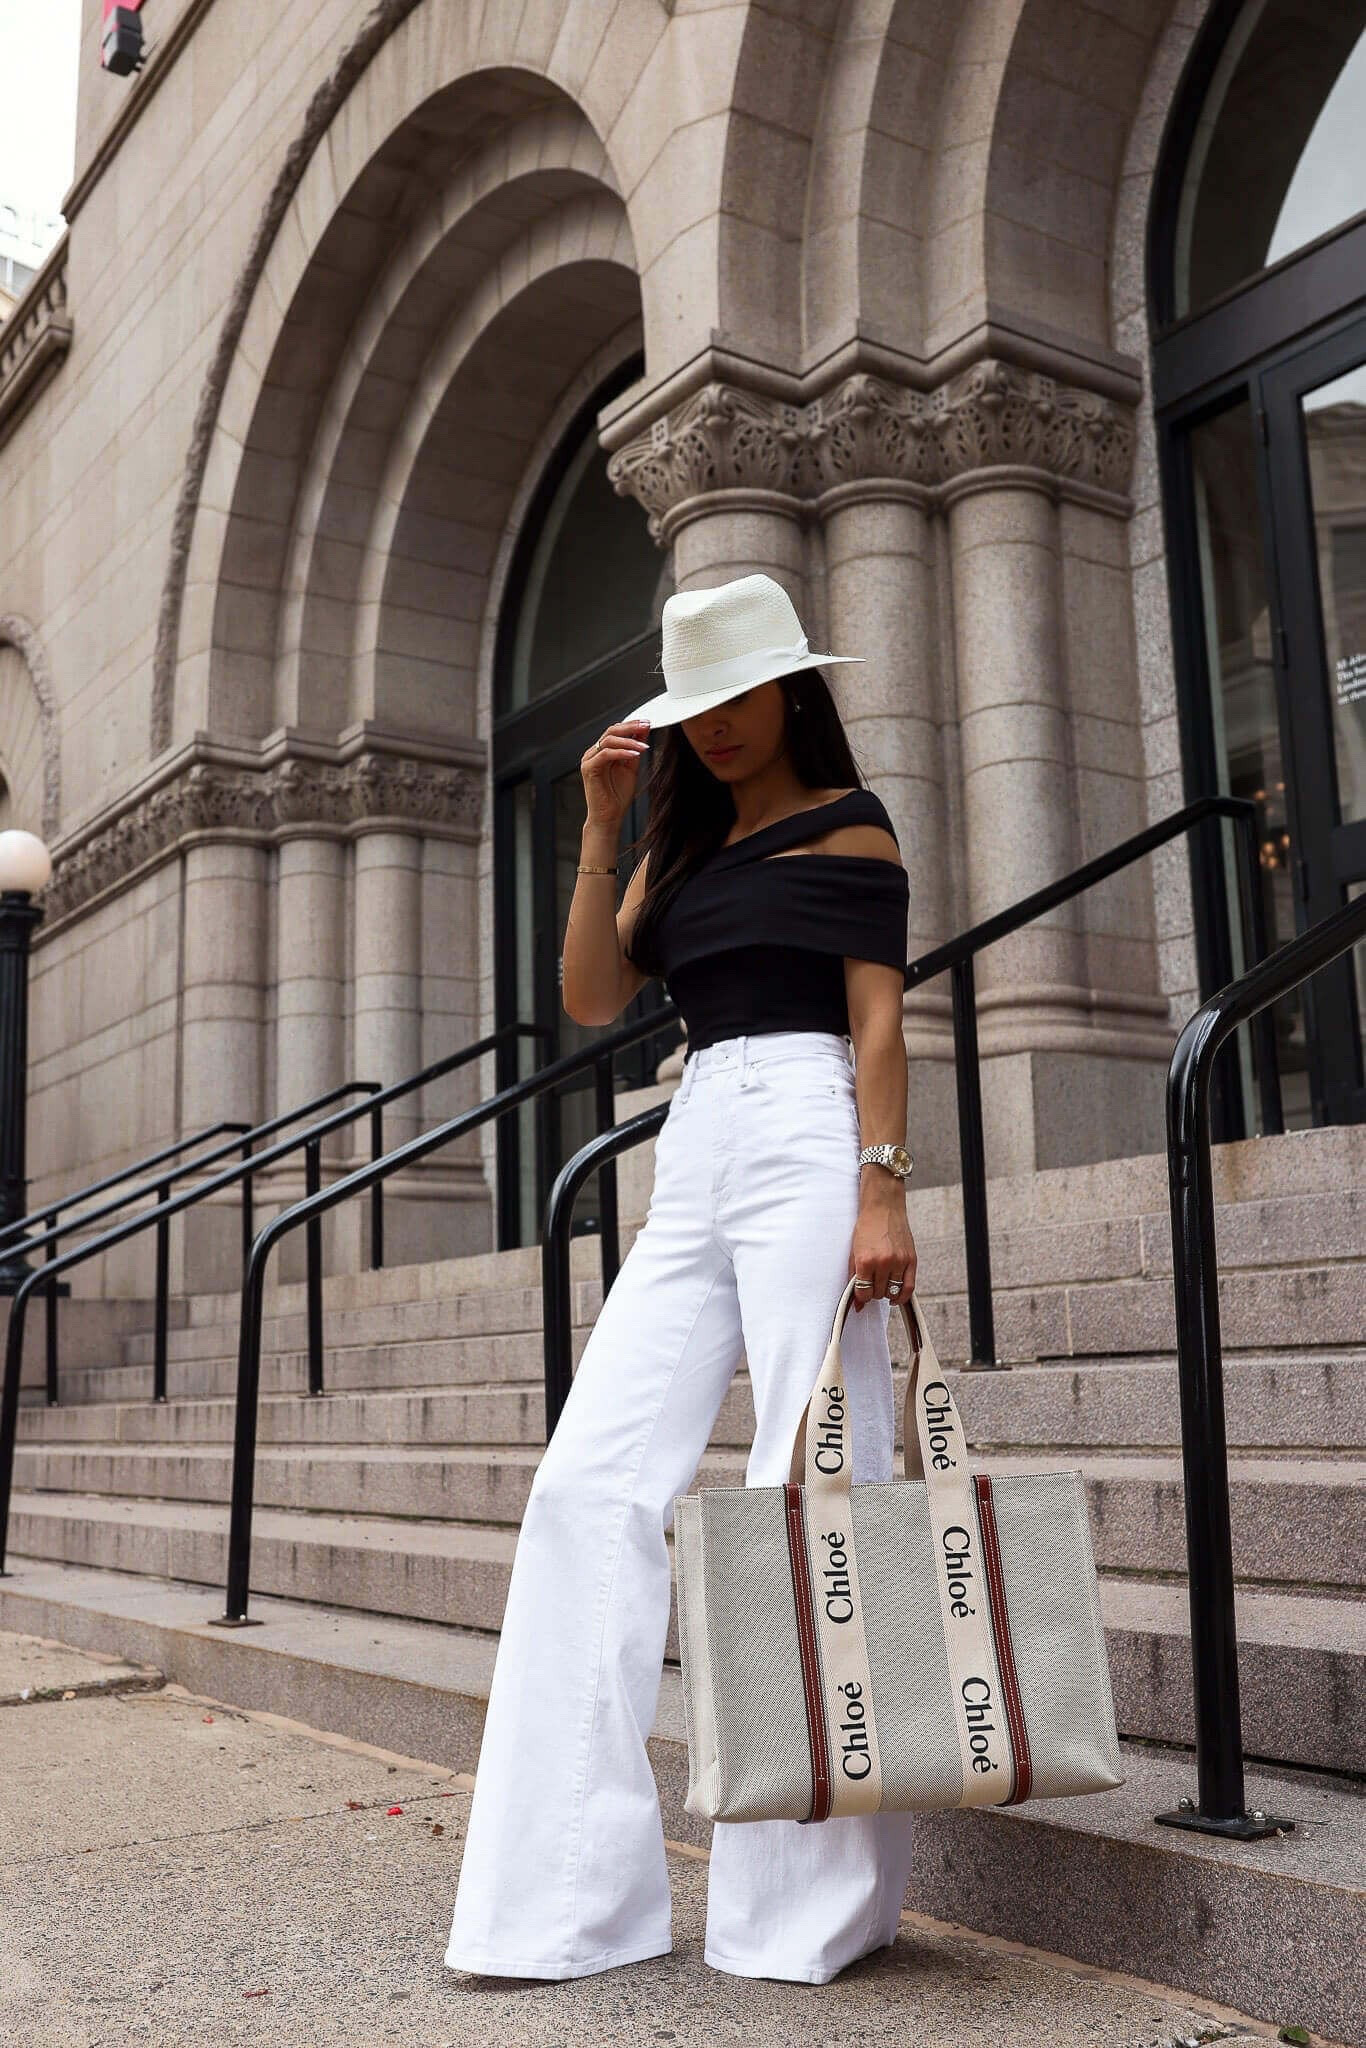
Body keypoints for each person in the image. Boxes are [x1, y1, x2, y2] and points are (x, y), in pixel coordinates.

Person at [445, 572, 919, 1984]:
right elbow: (592, 997)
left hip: (808, 1129)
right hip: (696, 1134)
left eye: (734, 697)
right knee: (588, 1484)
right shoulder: (677, 850)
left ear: (789, 694)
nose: (711, 727)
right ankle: (566, 1902)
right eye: (689, 705)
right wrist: (599, 829)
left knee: (806, 1483)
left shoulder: (852, 827)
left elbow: (877, 1018)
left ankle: (803, 1908)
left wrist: (881, 1184)